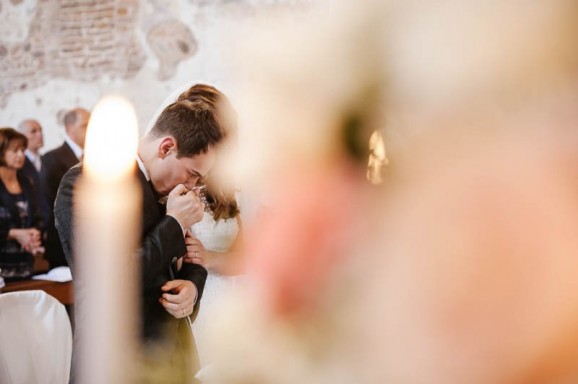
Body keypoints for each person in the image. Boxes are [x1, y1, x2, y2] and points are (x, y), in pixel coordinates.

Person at [54, 84, 235, 383]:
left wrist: (192, 287)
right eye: (192, 173)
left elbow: (191, 255)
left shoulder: (170, 190)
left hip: (176, 356)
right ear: (166, 147)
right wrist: (173, 223)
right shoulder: (85, 184)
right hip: (120, 359)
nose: (192, 186)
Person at [40, 107, 90, 269]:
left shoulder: (95, 157)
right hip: (64, 243)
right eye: (85, 125)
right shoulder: (52, 158)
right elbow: (51, 200)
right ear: (69, 128)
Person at [0, 127, 45, 280]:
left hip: (25, 266)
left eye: (22, 150)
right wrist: (14, 234)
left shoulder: (26, 182)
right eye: (15, 150)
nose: (21, 155)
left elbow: (37, 218)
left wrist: (34, 236)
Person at [17, 119, 49, 223]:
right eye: (33, 131)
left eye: (40, 130)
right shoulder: (18, 166)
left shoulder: (48, 160)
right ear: (21, 136)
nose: (40, 134)